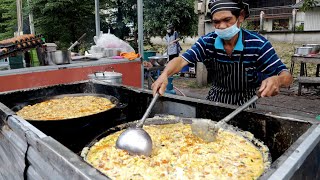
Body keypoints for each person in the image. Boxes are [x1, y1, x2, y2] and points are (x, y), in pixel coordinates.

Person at [152, 0, 293, 106]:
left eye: (227, 20)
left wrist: (277, 80)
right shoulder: (207, 42)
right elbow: (181, 60)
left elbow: (286, 76)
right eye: (216, 22)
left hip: (245, 106)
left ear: (241, 17)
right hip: (214, 103)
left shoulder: (258, 44)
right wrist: (164, 74)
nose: (222, 26)